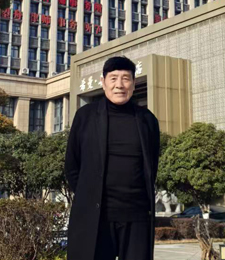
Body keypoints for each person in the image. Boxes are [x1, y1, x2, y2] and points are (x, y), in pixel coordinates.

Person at [65, 56, 161, 260]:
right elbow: (72, 165)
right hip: (96, 218)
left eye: (126, 78)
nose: (119, 85)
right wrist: (88, 196)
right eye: (113, 78)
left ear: (134, 83)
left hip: (136, 216)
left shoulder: (147, 120)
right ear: (103, 82)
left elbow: (151, 166)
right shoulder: (85, 116)